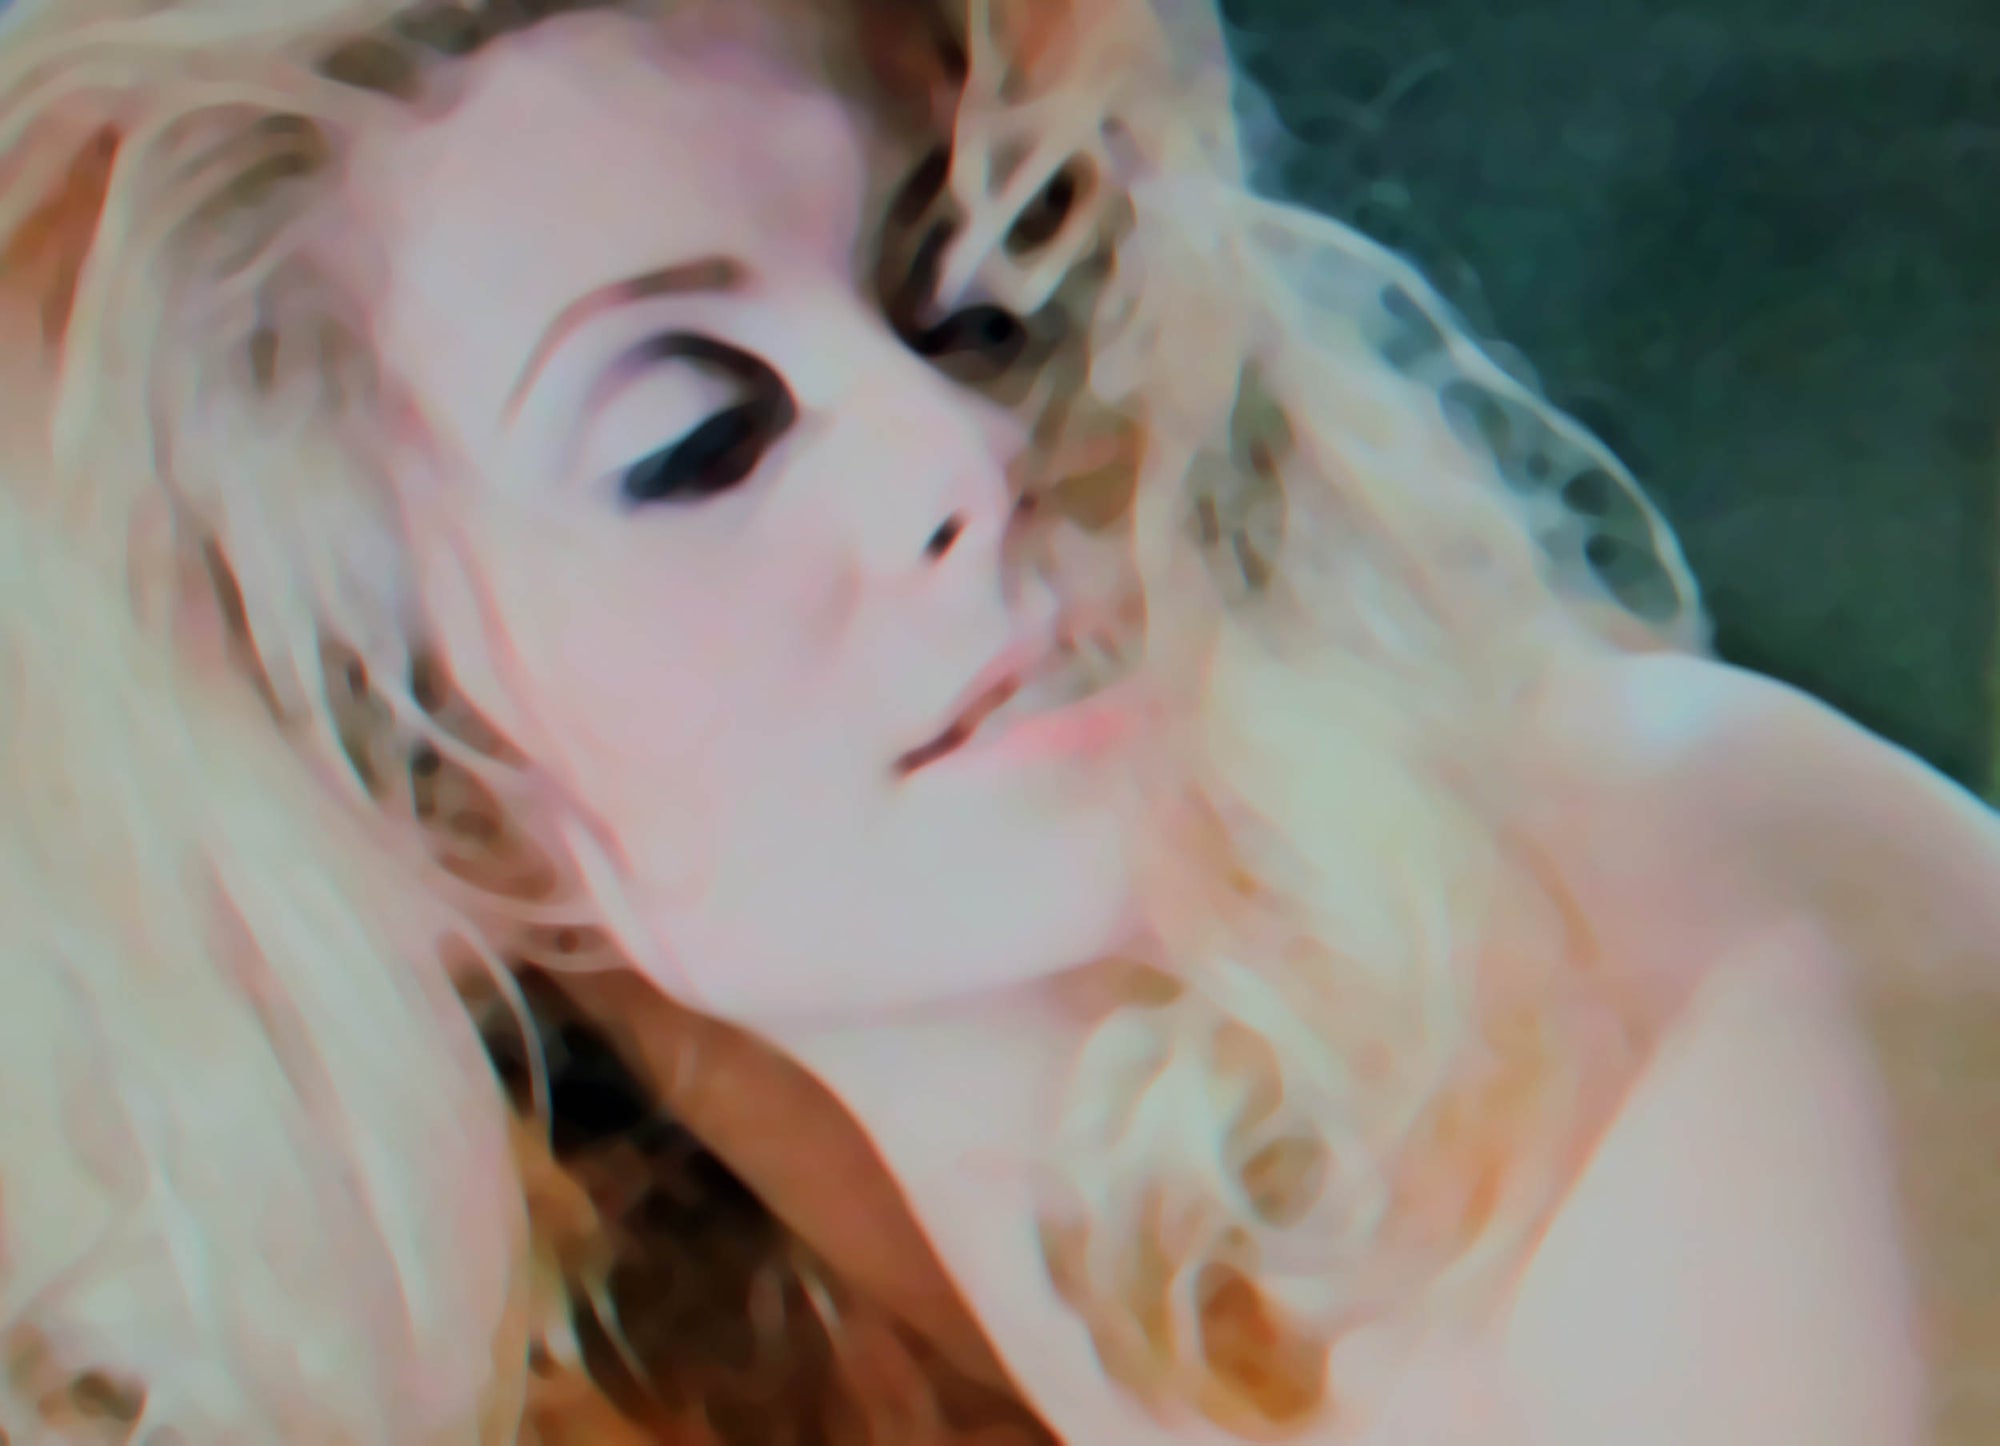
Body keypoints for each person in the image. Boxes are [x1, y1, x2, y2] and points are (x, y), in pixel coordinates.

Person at [0, 0, 1993, 1441]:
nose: (958, 447)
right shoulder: (771, 1349)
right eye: (697, 440)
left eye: (968, 306)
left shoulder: (1657, 898)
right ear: (420, 789)